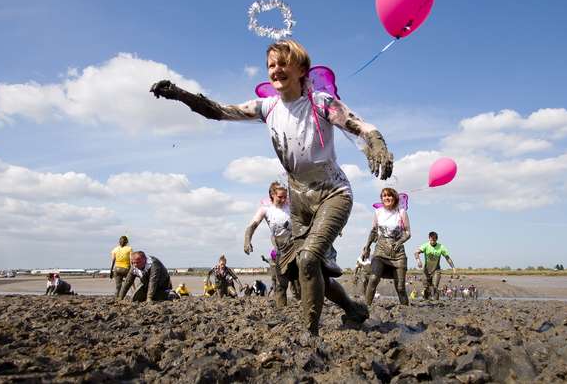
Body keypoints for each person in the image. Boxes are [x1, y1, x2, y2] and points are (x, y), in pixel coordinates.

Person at [151, 39, 393, 336]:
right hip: (299, 199)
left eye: (283, 63)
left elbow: (362, 126)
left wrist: (377, 145)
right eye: (271, 65)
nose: (276, 70)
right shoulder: (267, 107)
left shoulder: (321, 103)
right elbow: (219, 111)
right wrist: (179, 94)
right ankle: (354, 309)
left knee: (308, 259)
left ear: (302, 68)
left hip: (333, 194)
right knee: (301, 269)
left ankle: (310, 335)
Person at [245, 182, 297, 307]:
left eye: (285, 196)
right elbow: (252, 225)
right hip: (281, 248)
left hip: (296, 244)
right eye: (280, 197)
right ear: (272, 195)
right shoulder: (265, 209)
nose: (283, 199)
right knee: (280, 285)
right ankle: (282, 311)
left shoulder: (292, 205)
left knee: (300, 280)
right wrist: (247, 241)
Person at [362, 188, 411, 306]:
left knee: (400, 287)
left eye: (389, 196)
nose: (386, 198)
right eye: (384, 196)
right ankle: (366, 307)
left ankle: (405, 309)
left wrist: (399, 242)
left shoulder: (401, 212)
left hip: (397, 254)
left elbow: (408, 233)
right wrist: (367, 247)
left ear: (395, 198)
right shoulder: (378, 212)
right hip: (381, 251)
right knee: (373, 278)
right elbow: (374, 231)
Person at [414, 231, 456, 300]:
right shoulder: (425, 245)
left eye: (434, 240)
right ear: (429, 239)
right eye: (431, 240)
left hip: (436, 270)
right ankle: (426, 300)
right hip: (426, 270)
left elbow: (447, 258)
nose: (432, 241)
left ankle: (437, 301)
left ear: (436, 239)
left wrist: (453, 267)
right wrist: (418, 261)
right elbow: (416, 253)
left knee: (435, 287)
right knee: (426, 287)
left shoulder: (441, 247)